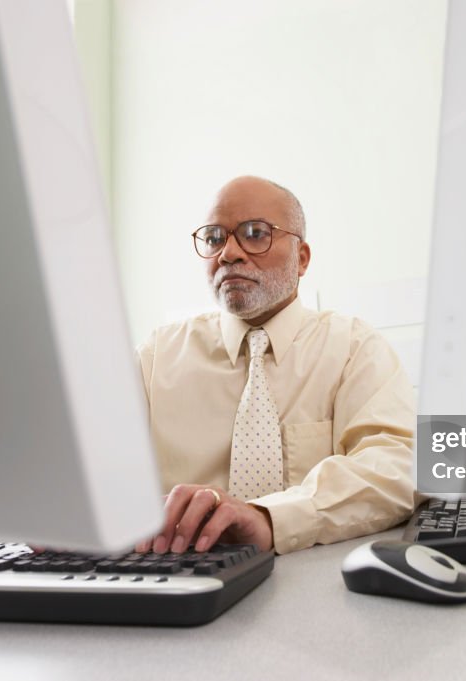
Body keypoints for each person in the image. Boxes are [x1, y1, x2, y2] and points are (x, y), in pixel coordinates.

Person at [137, 176, 414, 555]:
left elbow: (398, 463)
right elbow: (93, 468)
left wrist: (270, 518)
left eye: (254, 233)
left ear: (302, 259)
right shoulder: (156, 358)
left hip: (319, 583)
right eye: (215, 238)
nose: (228, 253)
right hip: (177, 581)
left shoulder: (354, 348)